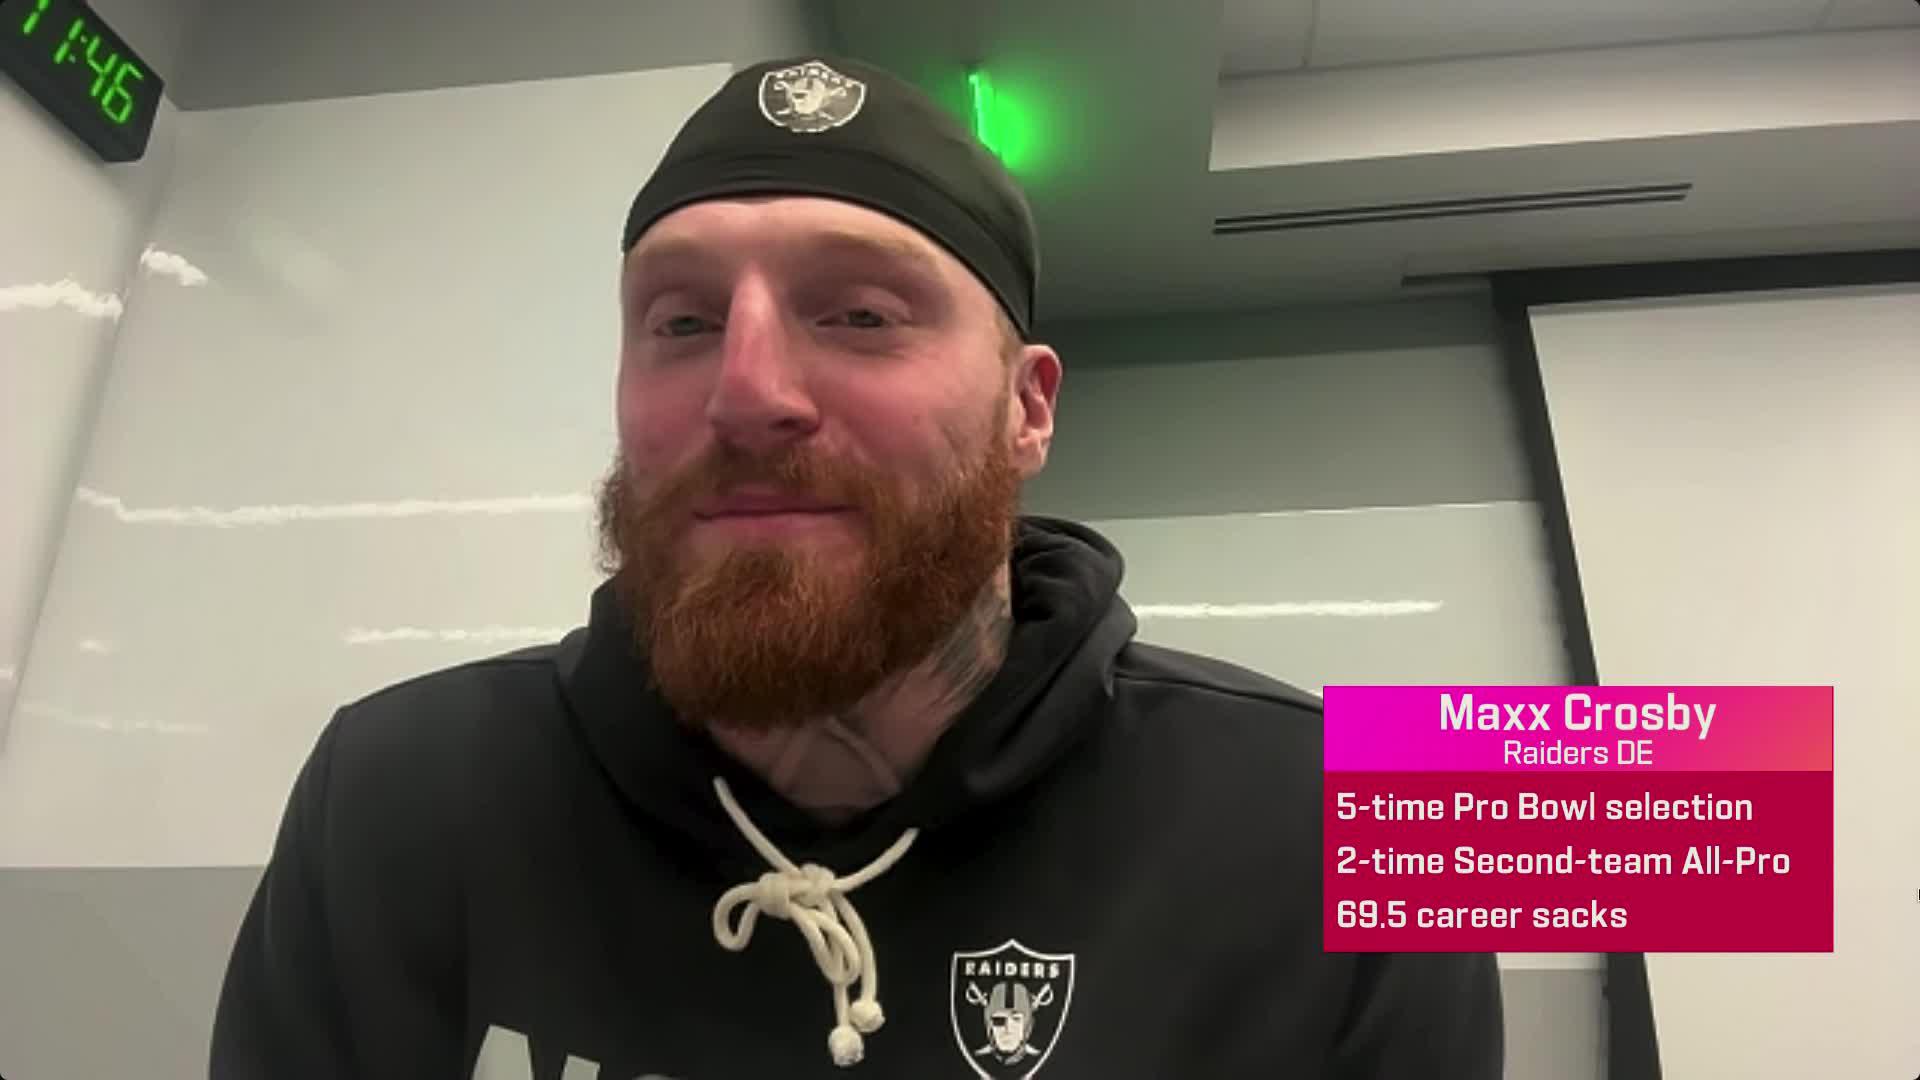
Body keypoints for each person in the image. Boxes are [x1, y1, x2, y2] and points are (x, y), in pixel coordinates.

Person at [210, 56, 1503, 1079]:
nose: (747, 391)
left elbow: (1634, 819)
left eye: (862, 315)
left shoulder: (1378, 802)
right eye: (682, 321)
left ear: (1029, 407)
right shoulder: (387, 794)